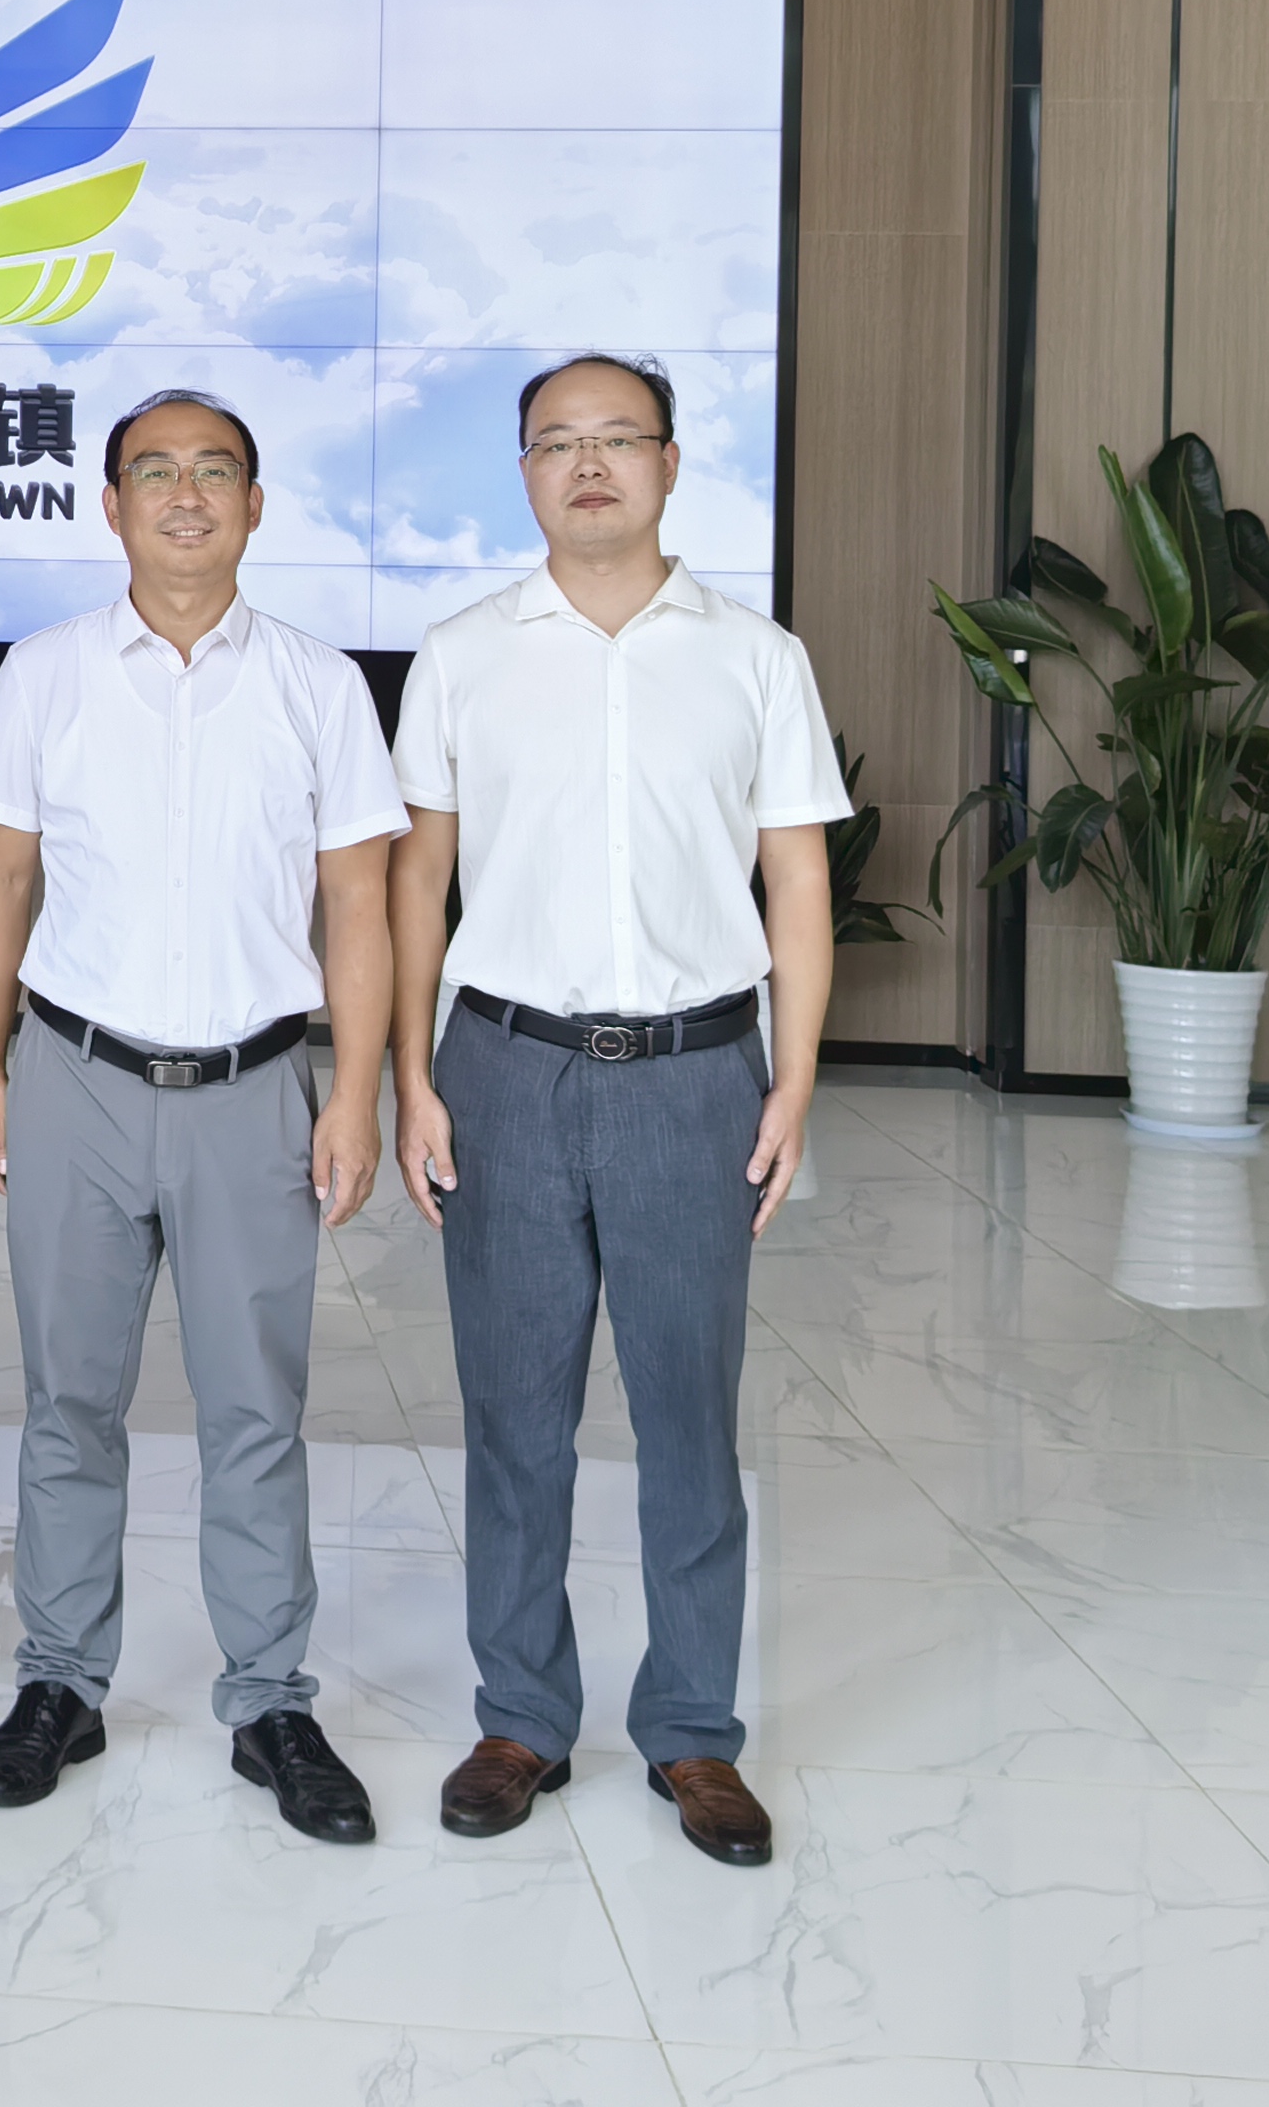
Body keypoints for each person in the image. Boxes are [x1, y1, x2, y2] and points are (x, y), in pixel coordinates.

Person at [387, 353, 844, 1868]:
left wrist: (793, 1078)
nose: (588, 465)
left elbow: (796, 878)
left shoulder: (755, 657)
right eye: (556, 443)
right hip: (504, 1071)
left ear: (669, 463)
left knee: (687, 1417)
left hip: (695, 1075)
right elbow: (418, 877)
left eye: (617, 439)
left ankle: (695, 1731)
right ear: (523, 471)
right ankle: (520, 1716)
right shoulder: (461, 653)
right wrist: (409, 1073)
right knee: (513, 1414)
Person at [0, 389, 402, 1846]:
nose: (186, 494)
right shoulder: (47, 672)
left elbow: (356, 902)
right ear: (111, 505)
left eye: (216, 471)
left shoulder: (320, 684)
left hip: (254, 1092)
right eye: (155, 471)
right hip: (75, 1079)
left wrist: (357, 1093)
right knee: (67, 1401)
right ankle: (59, 1683)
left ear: (256, 506)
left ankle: (270, 1700)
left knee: (255, 1410)